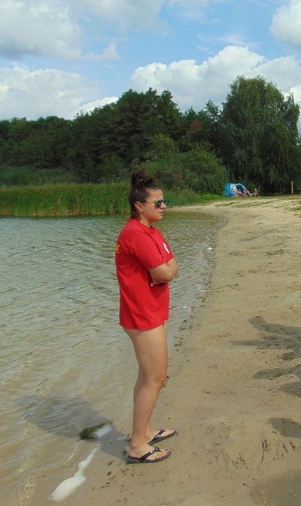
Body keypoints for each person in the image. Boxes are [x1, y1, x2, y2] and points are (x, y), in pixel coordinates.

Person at [115, 170, 178, 464]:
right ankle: (138, 445)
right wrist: (165, 271)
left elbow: (170, 266)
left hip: (150, 310)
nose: (164, 206)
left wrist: (165, 271)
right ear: (139, 206)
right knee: (155, 377)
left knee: (147, 377)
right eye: (158, 202)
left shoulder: (151, 230)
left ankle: (145, 431)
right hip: (142, 315)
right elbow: (165, 271)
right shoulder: (136, 234)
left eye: (164, 201)